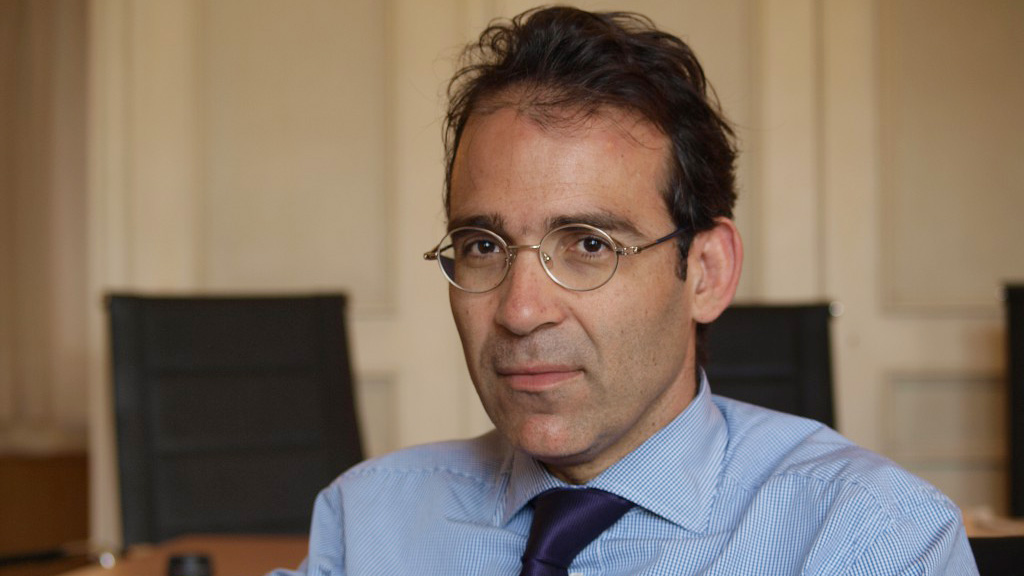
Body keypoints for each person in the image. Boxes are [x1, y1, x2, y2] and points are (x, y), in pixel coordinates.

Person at [270, 7, 978, 575]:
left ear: (707, 272)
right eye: (483, 246)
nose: (520, 311)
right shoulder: (367, 522)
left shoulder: (869, 539)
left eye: (589, 245)